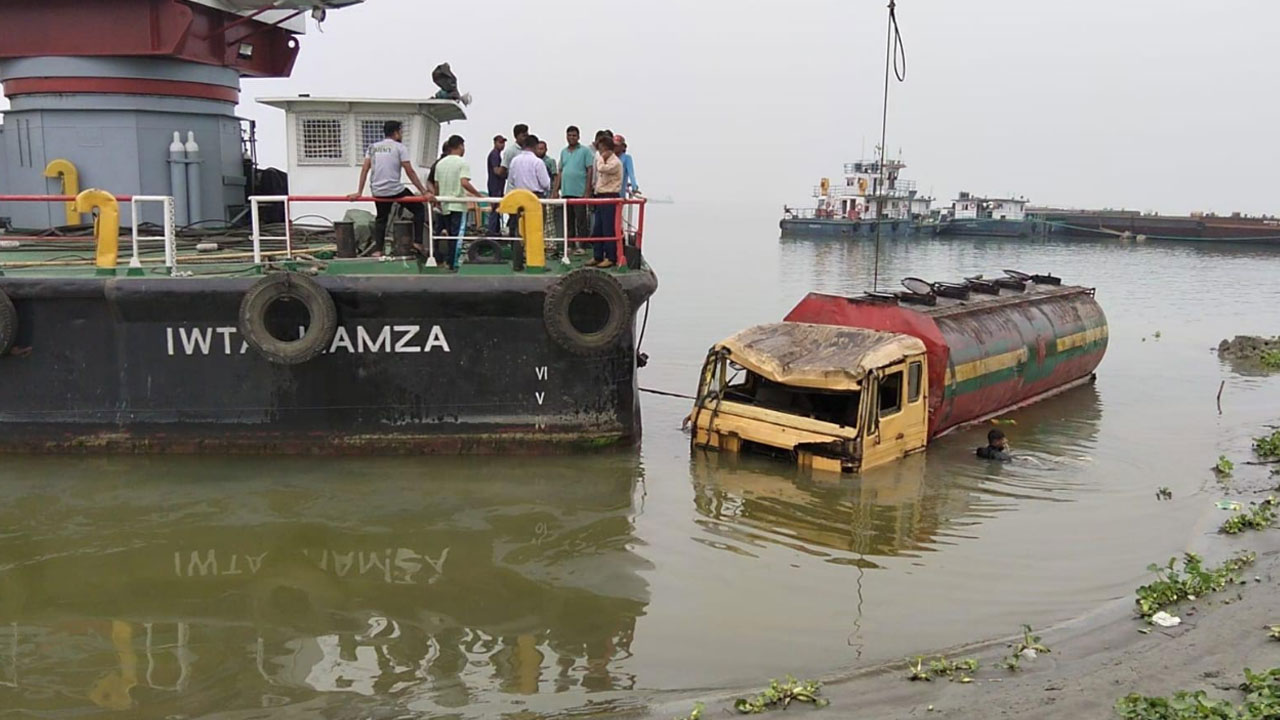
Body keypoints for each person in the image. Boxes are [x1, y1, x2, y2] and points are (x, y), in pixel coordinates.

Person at [349, 120, 433, 255]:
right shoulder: (400, 148)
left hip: (377, 191)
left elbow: (365, 169)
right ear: (396, 132)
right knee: (418, 209)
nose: (401, 134)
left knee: (381, 218)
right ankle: (417, 242)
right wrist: (424, 192)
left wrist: (359, 192)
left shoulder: (373, 147)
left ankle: (378, 250)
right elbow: (409, 171)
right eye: (400, 131)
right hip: (395, 190)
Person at [432, 134, 483, 270]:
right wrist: (478, 195)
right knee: (456, 236)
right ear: (460, 146)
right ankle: (452, 264)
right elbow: (464, 182)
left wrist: (437, 200)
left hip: (444, 203)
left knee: (444, 233)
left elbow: (436, 185)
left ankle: (439, 260)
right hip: (458, 205)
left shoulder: (440, 164)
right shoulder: (462, 163)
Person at [555, 125, 595, 255]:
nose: (571, 138)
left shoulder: (585, 151)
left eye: (574, 135)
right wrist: (555, 190)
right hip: (566, 191)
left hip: (580, 192)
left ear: (578, 137)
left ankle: (582, 245)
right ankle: (570, 245)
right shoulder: (563, 152)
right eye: (569, 135)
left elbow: (590, 170)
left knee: (581, 220)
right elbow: (560, 171)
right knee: (569, 220)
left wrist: (587, 190)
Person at [588, 134, 623, 269]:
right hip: (600, 196)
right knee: (598, 228)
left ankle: (611, 257)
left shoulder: (615, 163)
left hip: (610, 197)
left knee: (608, 228)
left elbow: (601, 168)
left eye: (602, 149)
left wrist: (600, 157)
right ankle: (597, 255)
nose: (600, 152)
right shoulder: (605, 160)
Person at [485, 134, 506, 235]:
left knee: (497, 208)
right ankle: (492, 231)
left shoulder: (497, 154)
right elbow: (496, 171)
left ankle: (495, 230)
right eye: (500, 142)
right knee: (495, 207)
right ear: (495, 143)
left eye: (503, 143)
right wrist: (506, 172)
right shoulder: (494, 155)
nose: (502, 145)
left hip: (497, 185)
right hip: (495, 185)